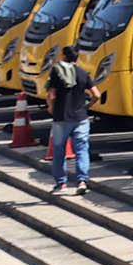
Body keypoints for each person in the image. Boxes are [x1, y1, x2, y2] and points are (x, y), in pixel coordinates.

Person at [44, 49, 99, 192]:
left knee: (59, 151)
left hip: (61, 118)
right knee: (81, 150)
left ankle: (61, 183)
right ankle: (82, 181)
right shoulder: (82, 73)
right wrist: (87, 106)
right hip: (81, 118)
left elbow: (51, 94)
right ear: (77, 58)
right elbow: (96, 94)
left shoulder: (57, 72)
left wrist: (50, 107)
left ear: (64, 56)